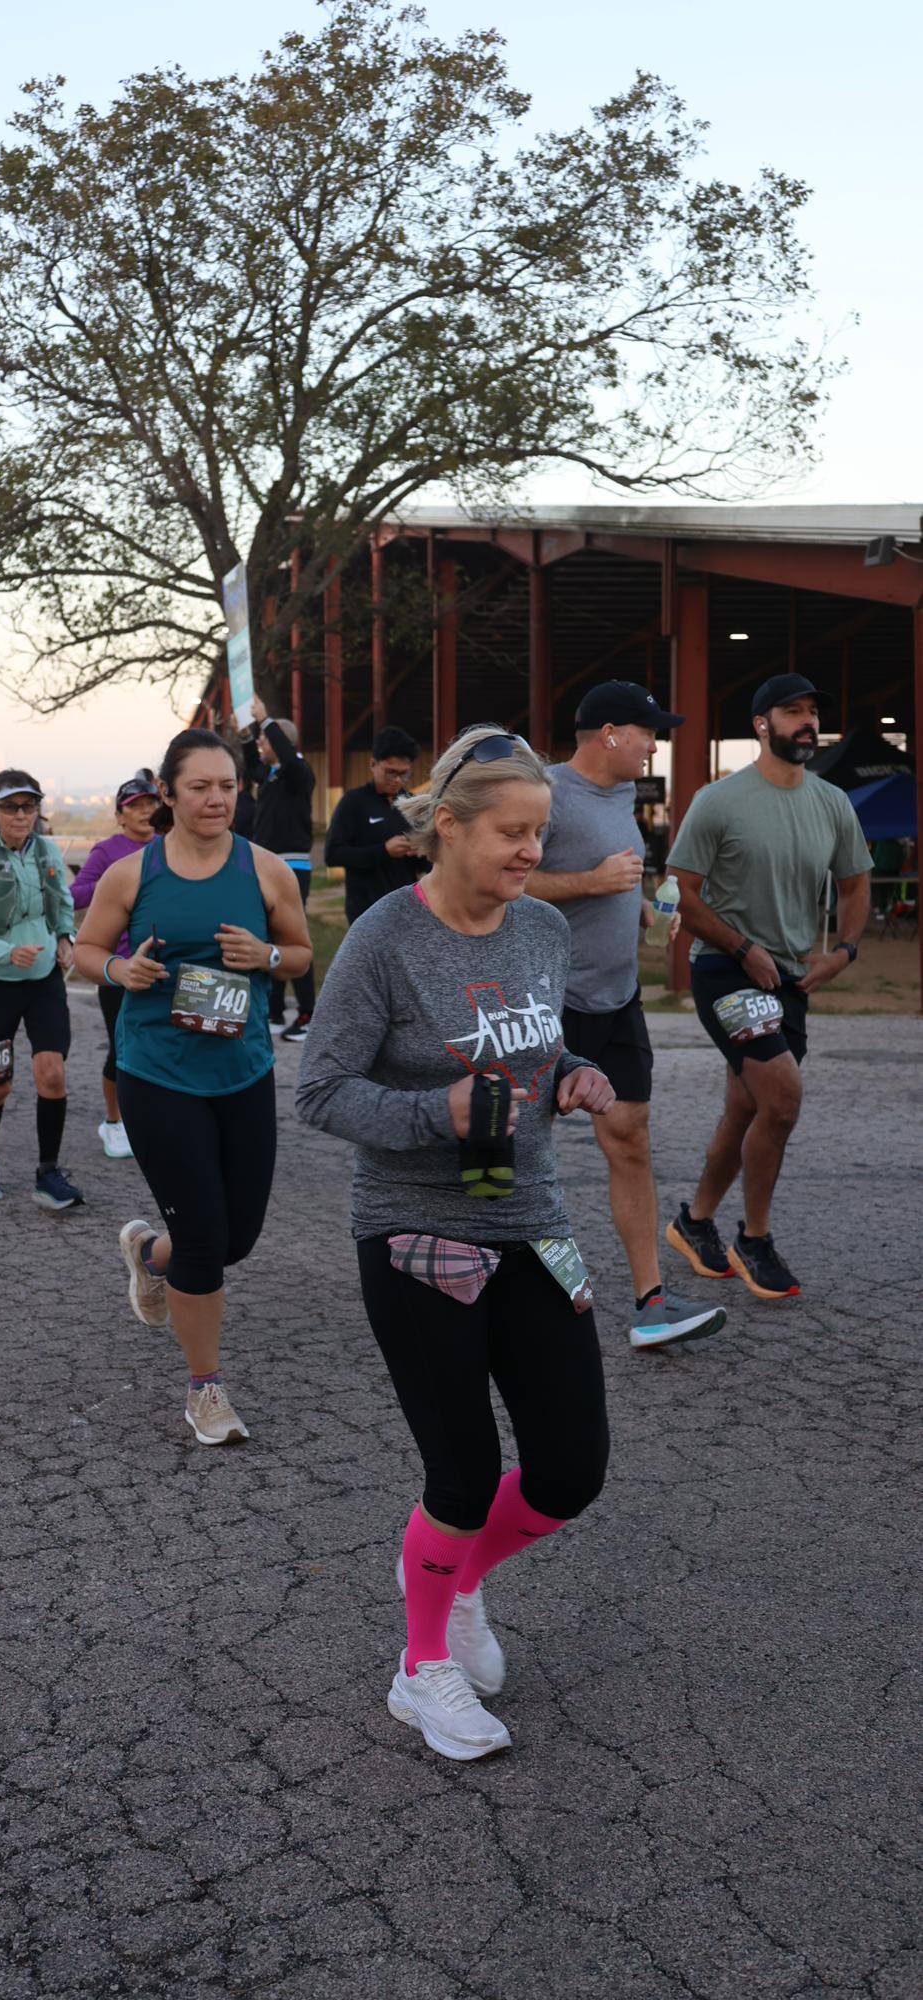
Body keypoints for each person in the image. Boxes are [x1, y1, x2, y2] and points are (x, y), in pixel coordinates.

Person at [296, 724, 615, 1761]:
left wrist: (574, 1074)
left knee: (570, 1468)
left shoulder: (541, 930)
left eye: (539, 832)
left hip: (531, 1220)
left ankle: (457, 1578)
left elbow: (537, 1044)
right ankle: (420, 1664)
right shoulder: (385, 938)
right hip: (415, 1230)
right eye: (511, 832)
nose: (531, 851)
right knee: (463, 1473)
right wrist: (434, 1112)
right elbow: (320, 1090)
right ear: (448, 826)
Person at [74, 729, 313, 1445]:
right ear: (168, 794)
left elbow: (301, 954)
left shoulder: (266, 870)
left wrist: (267, 956)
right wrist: (120, 971)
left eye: (228, 786)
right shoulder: (132, 875)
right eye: (201, 786)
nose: (217, 799)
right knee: (206, 1241)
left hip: (242, 1073)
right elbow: (86, 950)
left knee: (236, 1238)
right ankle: (206, 1390)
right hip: (158, 1074)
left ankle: (151, 1255)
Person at [527, 681, 726, 1351]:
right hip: (551, 1000)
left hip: (617, 997)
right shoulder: (545, 793)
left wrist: (639, 909)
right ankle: (492, 1287)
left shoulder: (621, 796)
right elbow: (504, 879)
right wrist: (590, 883)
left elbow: (610, 880)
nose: (654, 746)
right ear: (610, 733)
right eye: (647, 733)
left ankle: (651, 1304)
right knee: (519, 1151)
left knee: (631, 1140)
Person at [665, 674, 872, 1302]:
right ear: (762, 724)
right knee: (780, 1097)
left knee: (747, 1107)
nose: (808, 722)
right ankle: (753, 1239)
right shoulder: (718, 801)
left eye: (813, 712)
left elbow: (855, 884)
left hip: (790, 977)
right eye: (792, 711)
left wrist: (843, 953)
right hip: (726, 968)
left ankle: (693, 1222)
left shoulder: (832, 803)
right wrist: (741, 948)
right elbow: (678, 892)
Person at [0, 769, 83, 1211]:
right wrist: (8, 953)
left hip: (43, 980)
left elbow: (61, 901)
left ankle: (48, 1173)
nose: (21, 815)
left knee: (52, 1073)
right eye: (10, 807)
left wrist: (65, 937)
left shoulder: (46, 850)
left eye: (29, 806)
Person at [70, 770, 158, 1159]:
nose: (145, 811)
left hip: (165, 967)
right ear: (120, 816)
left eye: (151, 803)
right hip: (118, 968)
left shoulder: (171, 846)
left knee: (161, 1047)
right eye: (135, 806)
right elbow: (75, 895)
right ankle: (113, 1122)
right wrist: (113, 882)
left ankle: (154, 1119)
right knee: (122, 1050)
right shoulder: (107, 852)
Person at [243, 695, 317, 1041]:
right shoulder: (271, 776)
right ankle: (274, 1011)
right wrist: (245, 736)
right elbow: (252, 769)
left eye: (265, 739)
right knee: (268, 936)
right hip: (266, 864)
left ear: (281, 741)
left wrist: (266, 719)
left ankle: (307, 1014)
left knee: (292, 937)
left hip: (292, 865)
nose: (261, 743)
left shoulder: (298, 773)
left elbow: (289, 759)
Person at [324, 725, 426, 923]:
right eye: (390, 773)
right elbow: (333, 854)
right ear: (373, 764)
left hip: (406, 909)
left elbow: (427, 865)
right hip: (365, 910)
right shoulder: (354, 802)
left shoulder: (412, 804)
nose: (397, 780)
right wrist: (383, 851)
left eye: (404, 774)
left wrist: (422, 850)